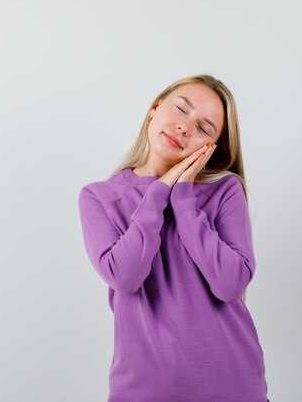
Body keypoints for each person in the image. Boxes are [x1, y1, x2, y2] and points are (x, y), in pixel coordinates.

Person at [77, 74, 270, 402]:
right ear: (154, 109)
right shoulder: (99, 197)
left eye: (204, 128)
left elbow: (230, 284)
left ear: (210, 149)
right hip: (145, 391)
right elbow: (125, 276)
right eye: (181, 109)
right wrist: (159, 191)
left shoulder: (224, 192)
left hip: (234, 387)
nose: (185, 127)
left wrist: (183, 197)